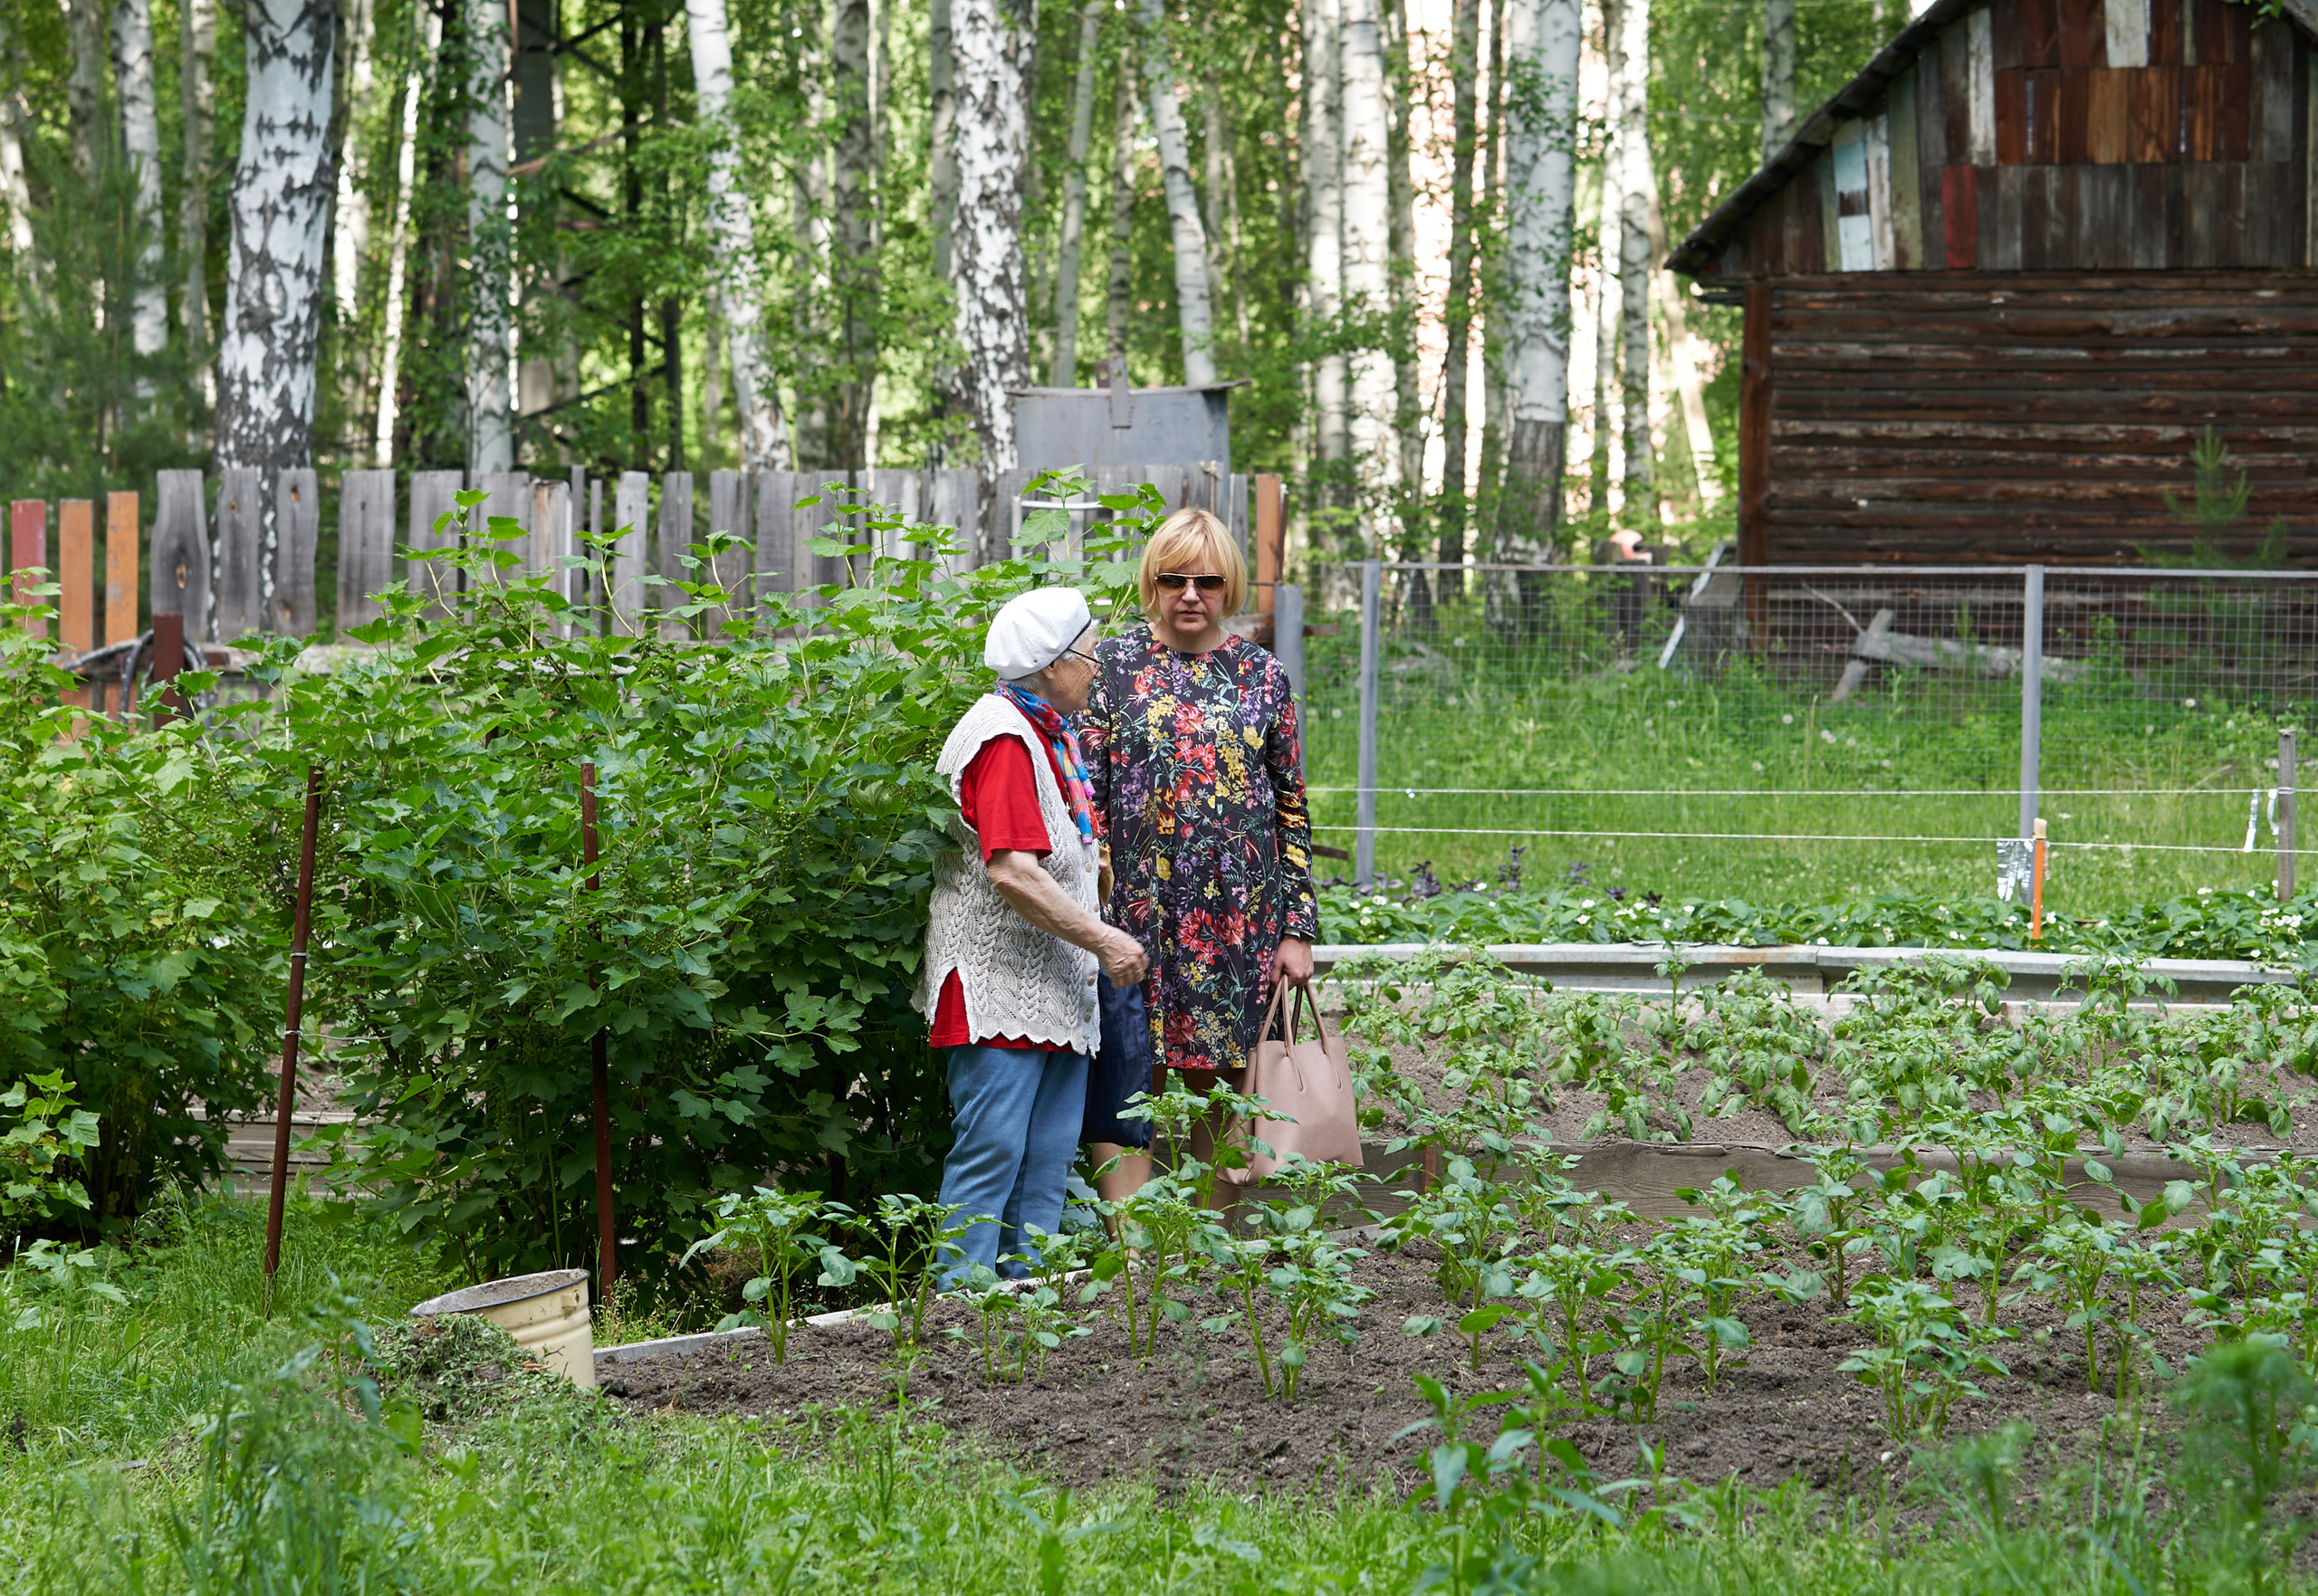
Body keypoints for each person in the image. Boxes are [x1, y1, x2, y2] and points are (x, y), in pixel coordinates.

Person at [1077, 508, 1318, 1199]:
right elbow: (1084, 795)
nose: (1190, 593)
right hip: (1134, 915)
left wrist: (1297, 929)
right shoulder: (1113, 667)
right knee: (1130, 1070)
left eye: (1207, 580)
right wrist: (1089, 910)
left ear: (1229, 585)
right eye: (1173, 578)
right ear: (1153, 581)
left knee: (1216, 1079)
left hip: (1235, 923)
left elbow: (1292, 808)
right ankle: (1130, 1255)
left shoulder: (1261, 676)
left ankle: (1200, 1250)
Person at [917, 587, 1149, 1283]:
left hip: (1052, 994)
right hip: (996, 994)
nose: (1098, 663)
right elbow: (1014, 873)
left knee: (1045, 1170)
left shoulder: (1050, 734)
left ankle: (1023, 1324)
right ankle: (959, 1321)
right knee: (990, 1160)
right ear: (1051, 665)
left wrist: (1092, 886)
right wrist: (1105, 939)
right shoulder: (1004, 738)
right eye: (1087, 652)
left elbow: (1053, 862)